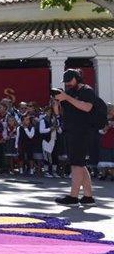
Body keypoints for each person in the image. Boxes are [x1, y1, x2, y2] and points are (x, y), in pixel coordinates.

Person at [53, 69, 97, 205]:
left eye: (69, 80)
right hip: (71, 131)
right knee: (80, 164)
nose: (67, 83)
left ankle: (73, 197)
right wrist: (57, 102)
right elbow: (59, 112)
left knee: (76, 165)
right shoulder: (70, 92)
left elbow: (87, 107)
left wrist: (67, 98)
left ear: (77, 78)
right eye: (65, 81)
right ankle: (88, 197)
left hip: (82, 132)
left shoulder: (87, 91)